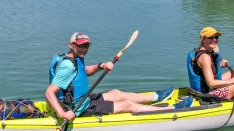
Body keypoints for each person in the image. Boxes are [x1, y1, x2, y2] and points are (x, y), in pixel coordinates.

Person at [46, 32, 193, 121]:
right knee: (127, 104)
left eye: (86, 45)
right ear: (71, 45)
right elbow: (49, 92)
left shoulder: (72, 58)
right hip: (78, 109)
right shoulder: (67, 66)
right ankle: (172, 109)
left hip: (84, 100)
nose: (84, 49)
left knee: (116, 93)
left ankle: (156, 97)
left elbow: (82, 72)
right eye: (80, 45)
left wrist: (100, 66)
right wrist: (62, 114)